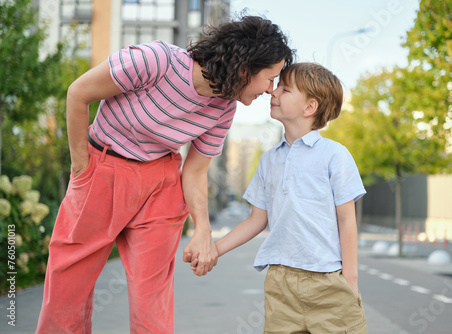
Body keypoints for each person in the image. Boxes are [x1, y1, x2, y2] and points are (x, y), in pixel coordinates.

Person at [36, 15, 293, 333]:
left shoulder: (224, 107)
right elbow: (78, 94)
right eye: (271, 78)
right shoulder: (156, 61)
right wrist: (81, 167)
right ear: (245, 67)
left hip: (161, 181)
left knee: (152, 301)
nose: (271, 90)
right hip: (103, 168)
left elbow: (196, 170)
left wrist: (202, 229)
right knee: (68, 286)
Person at [198, 63, 368, 333]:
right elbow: (256, 220)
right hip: (280, 283)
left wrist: (350, 280)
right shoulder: (269, 160)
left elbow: (347, 220)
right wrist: (213, 249)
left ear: (309, 108)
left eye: (285, 89)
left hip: (329, 282)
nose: (273, 92)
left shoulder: (334, 155)